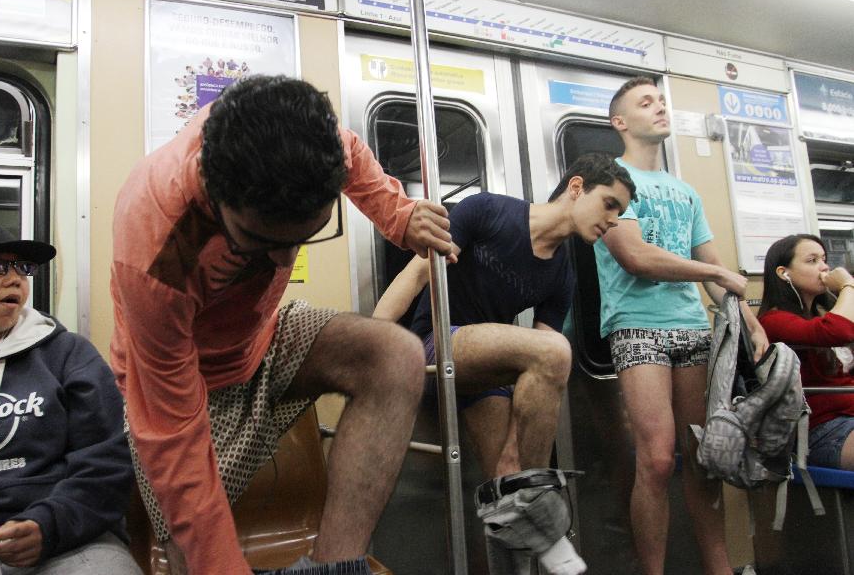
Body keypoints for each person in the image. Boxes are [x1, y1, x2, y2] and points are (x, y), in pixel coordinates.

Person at [110, 75, 454, 575]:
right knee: (198, 552)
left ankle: (336, 568)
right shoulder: (154, 249)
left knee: (395, 357)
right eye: (257, 240)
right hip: (185, 380)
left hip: (263, 337)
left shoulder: (312, 143)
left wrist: (398, 216)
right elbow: (171, 432)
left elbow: (352, 152)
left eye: (302, 238)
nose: (281, 260)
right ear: (214, 187)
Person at [374, 152, 636, 575]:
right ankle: (543, 515)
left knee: (503, 485)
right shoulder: (487, 211)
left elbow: (548, 370)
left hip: (487, 374)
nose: (614, 220)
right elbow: (418, 273)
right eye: (609, 204)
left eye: (620, 213)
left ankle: (524, 510)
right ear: (576, 187)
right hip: (436, 345)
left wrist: (516, 452)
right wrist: (373, 346)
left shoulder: (561, 275)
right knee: (555, 351)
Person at [594, 76, 768, 575]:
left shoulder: (685, 192)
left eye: (662, 100)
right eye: (645, 103)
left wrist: (749, 323)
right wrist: (713, 272)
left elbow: (713, 267)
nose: (660, 107)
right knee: (657, 460)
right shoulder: (613, 180)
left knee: (702, 457)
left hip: (692, 329)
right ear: (620, 122)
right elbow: (636, 257)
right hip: (637, 328)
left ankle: (718, 568)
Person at [0, 221, 139, 575]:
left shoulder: (69, 355)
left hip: (66, 540)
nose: (15, 280)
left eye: (21, 268)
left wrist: (47, 525)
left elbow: (107, 467)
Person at [758, 234, 854, 469]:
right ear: (784, 273)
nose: (824, 267)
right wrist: (847, 285)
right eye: (812, 261)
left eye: (824, 259)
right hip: (823, 429)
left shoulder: (822, 313)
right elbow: (837, 332)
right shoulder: (774, 320)